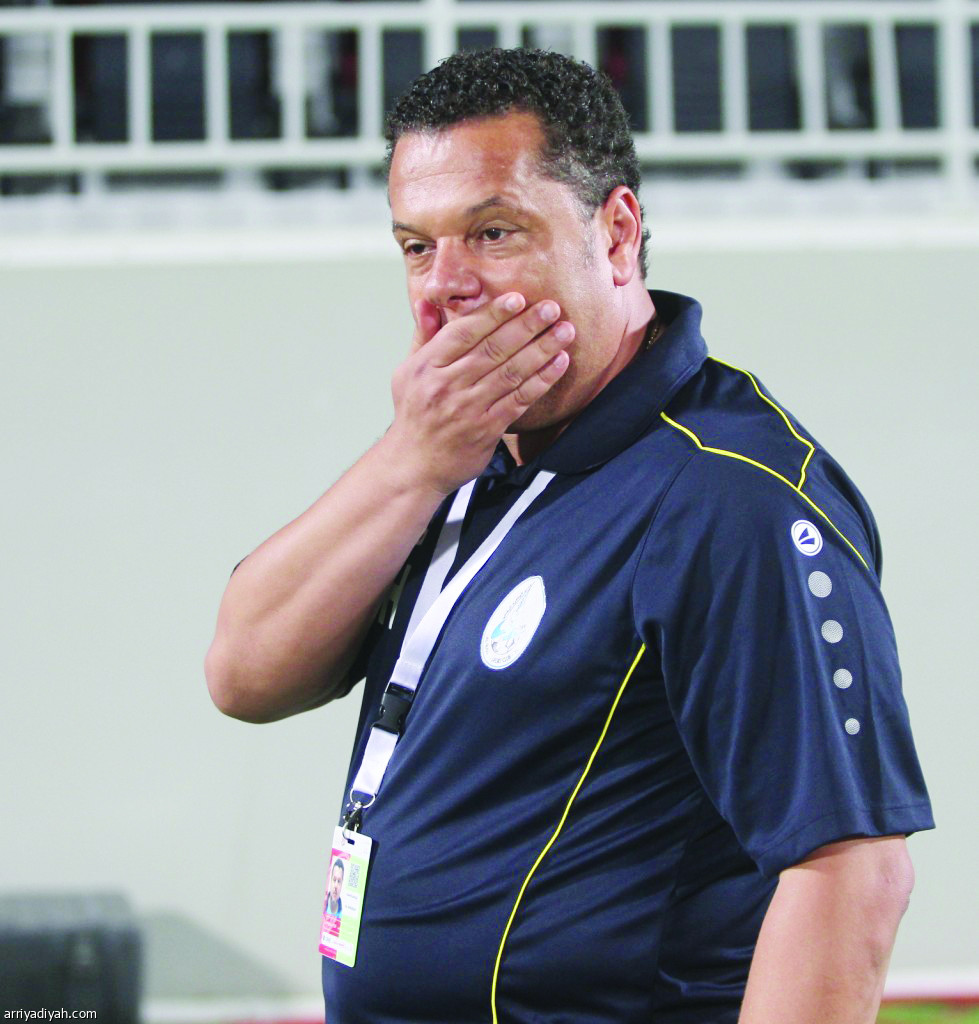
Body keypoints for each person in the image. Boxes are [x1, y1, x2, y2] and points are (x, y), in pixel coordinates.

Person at [205, 47, 933, 1024]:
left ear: (616, 234)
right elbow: (245, 672)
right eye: (415, 246)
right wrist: (412, 459)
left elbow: (851, 869)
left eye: (492, 232)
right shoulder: (457, 450)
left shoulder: (728, 495)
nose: (442, 286)